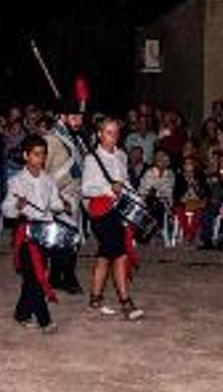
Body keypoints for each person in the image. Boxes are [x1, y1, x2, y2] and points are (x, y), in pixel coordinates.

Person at [82, 117, 144, 321]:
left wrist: (136, 198)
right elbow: (86, 189)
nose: (113, 136)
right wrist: (109, 188)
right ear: (99, 134)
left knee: (106, 254)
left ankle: (95, 298)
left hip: (118, 210)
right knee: (119, 253)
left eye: (116, 132)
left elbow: (125, 183)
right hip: (100, 210)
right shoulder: (92, 158)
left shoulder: (121, 156)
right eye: (109, 132)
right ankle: (125, 301)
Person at [3, 134, 65, 333]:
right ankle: (45, 320)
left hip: (45, 232)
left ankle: (22, 313)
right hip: (26, 233)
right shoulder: (17, 181)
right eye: (36, 155)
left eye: (43, 155)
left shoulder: (48, 180)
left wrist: (62, 205)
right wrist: (17, 206)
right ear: (26, 156)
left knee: (33, 276)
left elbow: (55, 204)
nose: (40, 159)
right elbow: (6, 209)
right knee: (37, 276)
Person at [43, 99, 87, 294]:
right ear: (62, 118)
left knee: (70, 239)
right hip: (58, 196)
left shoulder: (76, 139)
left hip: (74, 195)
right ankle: (65, 277)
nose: (79, 121)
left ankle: (59, 277)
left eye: (80, 117)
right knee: (63, 239)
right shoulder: (51, 139)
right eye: (75, 117)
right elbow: (43, 171)